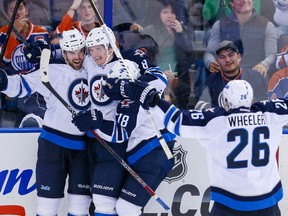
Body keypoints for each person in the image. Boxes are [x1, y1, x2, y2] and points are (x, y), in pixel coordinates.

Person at [121, 78, 285, 216]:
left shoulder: (216, 121)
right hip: (268, 202)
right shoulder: (270, 113)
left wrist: (154, 100)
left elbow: (177, 120)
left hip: (229, 205)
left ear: (226, 101)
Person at [71, 25, 172, 216]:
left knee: (122, 207)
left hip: (151, 151)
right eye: (91, 50)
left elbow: (158, 80)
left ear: (111, 46)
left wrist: (97, 120)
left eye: (99, 48)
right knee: (121, 207)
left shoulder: (132, 69)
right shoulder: (126, 98)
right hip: (135, 151)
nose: (95, 54)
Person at [0, 29, 92, 216]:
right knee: (47, 208)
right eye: (72, 52)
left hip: (83, 148)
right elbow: (22, 85)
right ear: (64, 52)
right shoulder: (51, 70)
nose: (77, 57)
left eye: (81, 51)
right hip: (53, 146)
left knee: (80, 207)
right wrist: (4, 82)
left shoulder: (94, 68)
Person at [0, 0, 50, 127]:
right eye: (12, 10)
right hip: (12, 92)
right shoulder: (2, 33)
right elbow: (2, 61)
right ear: (6, 15)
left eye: (20, 8)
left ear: (26, 10)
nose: (17, 12)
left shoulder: (41, 32)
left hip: (38, 91)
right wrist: (12, 33)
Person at [141, 0, 194, 108]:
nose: (169, 16)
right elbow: (144, 58)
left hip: (179, 80)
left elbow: (190, 56)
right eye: (165, 12)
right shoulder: (150, 31)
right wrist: (160, 73)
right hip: (157, 77)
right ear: (159, 14)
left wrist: (181, 33)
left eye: (173, 13)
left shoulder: (184, 30)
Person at [204, 0, 277, 78]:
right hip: (226, 78)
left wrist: (264, 65)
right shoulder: (219, 25)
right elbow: (210, 53)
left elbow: (272, 55)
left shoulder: (267, 25)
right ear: (232, 3)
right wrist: (210, 62)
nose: (245, 0)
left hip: (255, 77)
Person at [198, 40, 267, 107]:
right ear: (217, 61)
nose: (227, 60)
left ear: (239, 57)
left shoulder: (256, 78)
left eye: (231, 55)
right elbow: (199, 105)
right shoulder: (212, 81)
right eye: (222, 57)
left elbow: (266, 105)